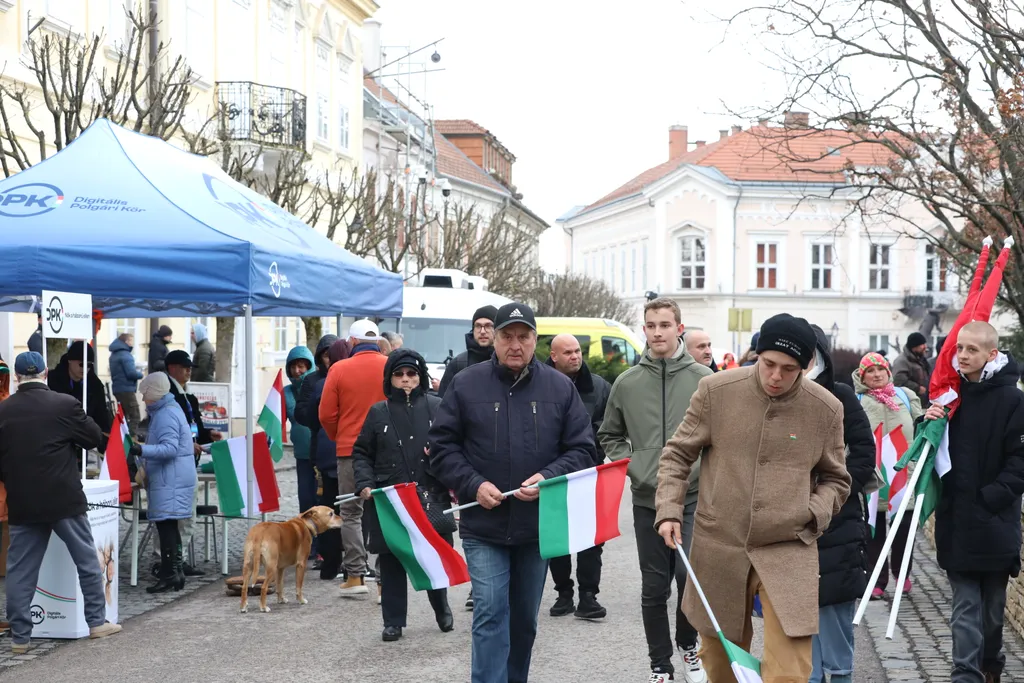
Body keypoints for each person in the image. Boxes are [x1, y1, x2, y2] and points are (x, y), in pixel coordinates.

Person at [655, 313, 851, 683]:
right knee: (721, 663)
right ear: (757, 355)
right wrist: (669, 510)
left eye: (789, 368)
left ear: (807, 366)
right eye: (768, 364)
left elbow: (837, 479)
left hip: (789, 546)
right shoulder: (716, 391)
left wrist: (811, 513)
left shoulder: (826, 408)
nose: (776, 376)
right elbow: (678, 454)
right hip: (720, 544)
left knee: (790, 670)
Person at [430, 302, 596, 683]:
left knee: (523, 620)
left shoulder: (559, 387)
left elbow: (583, 449)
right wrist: (474, 483)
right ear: (493, 339)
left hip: (536, 528)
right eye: (507, 336)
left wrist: (549, 476)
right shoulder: (467, 384)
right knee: (489, 611)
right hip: (483, 525)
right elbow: (441, 448)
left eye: (524, 336)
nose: (515, 344)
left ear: (536, 340)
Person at [598, 297, 713, 683]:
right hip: (647, 497)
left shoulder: (703, 379)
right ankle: (659, 664)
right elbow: (610, 434)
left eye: (665, 324)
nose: (658, 332)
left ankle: (687, 646)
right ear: (644, 330)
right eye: (651, 325)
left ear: (679, 328)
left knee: (688, 580)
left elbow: (721, 436)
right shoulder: (628, 383)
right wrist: (634, 464)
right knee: (653, 586)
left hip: (694, 497)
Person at [0, 352, 121, 653]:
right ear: (44, 374)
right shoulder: (64, 404)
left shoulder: (4, 410)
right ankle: (96, 622)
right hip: (63, 498)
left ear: (16, 377)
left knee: (20, 571)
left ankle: (20, 637)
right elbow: (93, 437)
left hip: (23, 501)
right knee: (86, 560)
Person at [926, 321, 1024, 683]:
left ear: (991, 354)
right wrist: (928, 421)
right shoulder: (948, 398)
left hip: (996, 523)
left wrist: (988, 501)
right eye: (959, 348)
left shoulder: (1014, 400)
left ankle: (990, 663)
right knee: (965, 606)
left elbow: (1020, 462)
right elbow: (931, 453)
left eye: (971, 350)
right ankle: (965, 674)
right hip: (958, 522)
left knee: (992, 613)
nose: (962, 356)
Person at [353, 348, 455, 641]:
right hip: (391, 499)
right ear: (390, 379)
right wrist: (364, 482)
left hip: (429, 494)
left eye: (411, 374)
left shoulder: (438, 407)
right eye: (399, 375)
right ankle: (393, 621)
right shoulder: (377, 412)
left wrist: (441, 460)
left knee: (432, 556)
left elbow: (453, 445)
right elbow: (361, 452)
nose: (406, 380)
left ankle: (441, 607)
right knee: (392, 560)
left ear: (420, 377)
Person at [807, 325, 876, 683]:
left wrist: (832, 491)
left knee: (834, 614)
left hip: (838, 521)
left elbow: (864, 454)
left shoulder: (841, 396)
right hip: (792, 524)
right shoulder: (772, 398)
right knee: (800, 624)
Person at [545, 332, 611, 620]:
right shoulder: (540, 384)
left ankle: (588, 595)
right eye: (568, 352)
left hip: (589, 472)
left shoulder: (599, 387)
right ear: (554, 356)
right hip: (552, 473)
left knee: (591, 538)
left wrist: (594, 449)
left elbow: (610, 426)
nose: (575, 356)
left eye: (577, 351)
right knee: (557, 537)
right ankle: (564, 593)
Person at [320, 320, 388, 596]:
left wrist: (340, 435)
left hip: (349, 449)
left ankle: (356, 576)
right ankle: (386, 579)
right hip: (385, 451)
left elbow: (326, 414)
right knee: (385, 514)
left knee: (350, 513)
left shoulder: (339, 369)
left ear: (352, 343)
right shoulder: (390, 365)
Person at [853, 352, 922, 599]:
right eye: (869, 371)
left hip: (903, 471)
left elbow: (921, 425)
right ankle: (877, 580)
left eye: (880, 369)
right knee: (874, 530)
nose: (876, 374)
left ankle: (902, 573)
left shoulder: (906, 396)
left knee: (904, 526)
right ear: (862, 376)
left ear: (888, 371)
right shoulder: (857, 400)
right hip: (873, 474)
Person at [130, 372, 197, 593]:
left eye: (145, 394)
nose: (142, 399)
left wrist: (141, 449)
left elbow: (170, 449)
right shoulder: (170, 410)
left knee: (167, 528)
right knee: (170, 527)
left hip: (170, 479)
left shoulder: (166, 414)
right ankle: (175, 573)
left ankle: (170, 574)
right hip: (173, 478)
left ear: (154, 393)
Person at [161, 349, 222, 577]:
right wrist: (188, 444)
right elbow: (172, 432)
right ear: (172, 368)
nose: (188, 371)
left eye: (189, 367)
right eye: (185, 367)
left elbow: (194, 428)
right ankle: (170, 560)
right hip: (175, 464)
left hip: (189, 462)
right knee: (175, 516)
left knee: (187, 515)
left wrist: (208, 434)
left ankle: (180, 557)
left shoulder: (188, 397)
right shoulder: (167, 396)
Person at [296, 335, 339, 577]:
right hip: (321, 446)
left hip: (341, 448)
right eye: (325, 355)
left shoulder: (345, 374)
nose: (329, 359)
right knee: (318, 501)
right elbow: (303, 412)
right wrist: (320, 420)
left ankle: (340, 553)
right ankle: (322, 551)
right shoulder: (312, 381)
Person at [48, 341, 111, 443]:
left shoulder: (95, 385)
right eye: (82, 364)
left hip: (82, 441)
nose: (85, 368)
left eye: (89, 365)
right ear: (70, 361)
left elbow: (101, 414)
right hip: (56, 438)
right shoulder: (51, 380)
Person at [437, 305, 498, 398]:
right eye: (478, 326)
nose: (482, 331)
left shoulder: (508, 362)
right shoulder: (458, 364)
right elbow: (443, 406)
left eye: (488, 326)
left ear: (498, 329)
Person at [109, 333, 144, 437]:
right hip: (127, 389)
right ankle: (132, 441)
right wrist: (140, 374)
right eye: (131, 340)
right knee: (135, 415)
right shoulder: (126, 355)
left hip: (118, 389)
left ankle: (121, 439)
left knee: (123, 417)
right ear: (126, 342)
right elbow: (131, 373)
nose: (132, 343)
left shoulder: (114, 354)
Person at [893, 331, 932, 406]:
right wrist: (917, 388)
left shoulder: (920, 359)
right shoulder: (902, 361)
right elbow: (898, 381)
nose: (925, 347)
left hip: (923, 402)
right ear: (914, 347)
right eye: (922, 344)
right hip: (911, 402)